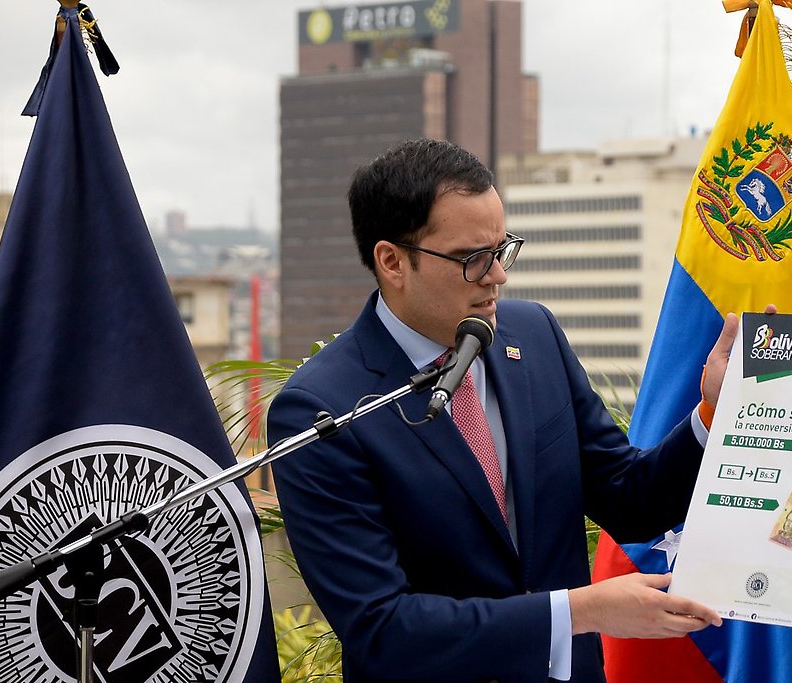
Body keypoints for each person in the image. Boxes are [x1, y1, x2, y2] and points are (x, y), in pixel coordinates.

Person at [269, 138, 750, 683]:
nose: (498, 275)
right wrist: (579, 611)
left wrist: (711, 413)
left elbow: (628, 498)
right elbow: (382, 628)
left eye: (503, 249)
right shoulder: (324, 409)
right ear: (392, 261)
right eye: (473, 259)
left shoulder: (532, 334)